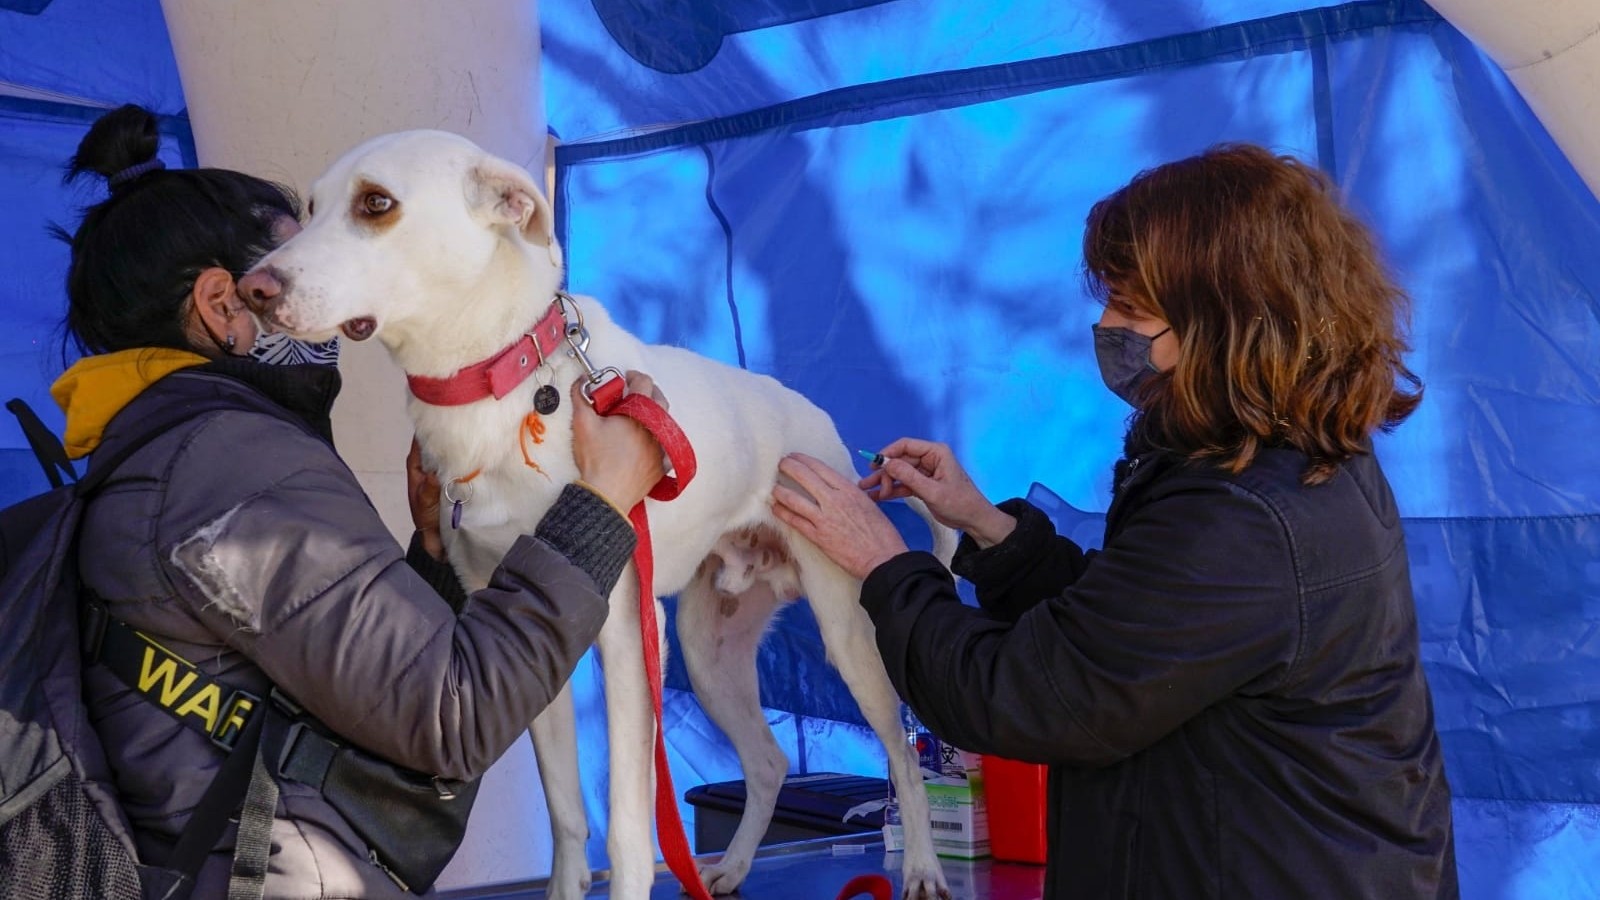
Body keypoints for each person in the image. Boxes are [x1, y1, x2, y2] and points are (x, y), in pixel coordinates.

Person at [771, 144, 1458, 898]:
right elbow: (1133, 636)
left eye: (1132, 309)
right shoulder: (1288, 464)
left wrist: (886, 566)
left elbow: (1026, 696)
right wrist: (987, 527)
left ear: (1226, 321)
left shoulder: (1248, 519)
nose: (1106, 326)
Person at [55, 104, 667, 897]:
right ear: (221, 306)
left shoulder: (156, 451)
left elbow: (328, 679)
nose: (315, 269)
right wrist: (601, 506)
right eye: (289, 255)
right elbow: (454, 718)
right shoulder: (236, 469)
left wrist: (434, 563)